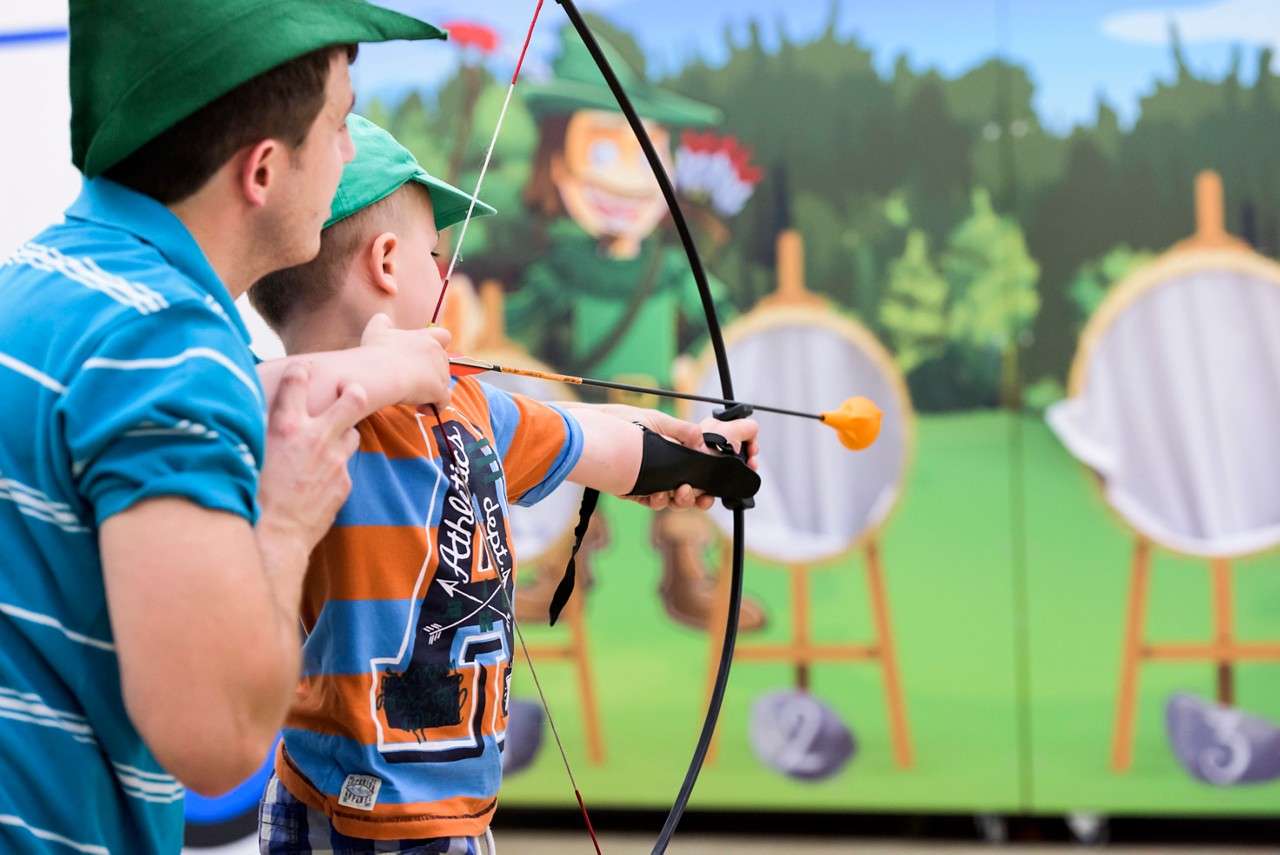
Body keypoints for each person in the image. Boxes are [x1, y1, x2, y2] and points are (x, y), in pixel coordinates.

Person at [0, 2, 458, 852]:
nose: (350, 151)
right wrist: (286, 517)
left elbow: (241, 394)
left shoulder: (45, 287)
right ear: (263, 170)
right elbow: (215, 738)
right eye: (340, 122)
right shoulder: (167, 348)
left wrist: (387, 369)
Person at [248, 115, 759, 852]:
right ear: (388, 264)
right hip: (347, 812)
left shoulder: (467, 407)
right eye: (435, 254)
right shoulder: (296, 425)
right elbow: (240, 391)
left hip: (459, 811)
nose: (447, 272)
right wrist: (386, 372)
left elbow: (597, 440)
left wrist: (694, 455)